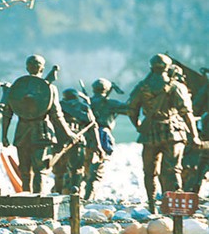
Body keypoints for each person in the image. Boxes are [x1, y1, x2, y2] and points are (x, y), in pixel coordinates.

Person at [127, 53, 199, 212]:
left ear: (151, 67)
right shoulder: (176, 86)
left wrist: (138, 126)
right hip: (173, 131)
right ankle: (173, 209)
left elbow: (131, 110)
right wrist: (194, 136)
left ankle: (152, 206)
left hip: (149, 132)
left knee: (149, 172)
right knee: (173, 170)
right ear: (168, 67)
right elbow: (186, 113)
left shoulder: (142, 87)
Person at [2, 54, 77, 194]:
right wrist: (69, 133)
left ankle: (26, 199)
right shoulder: (49, 88)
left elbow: (7, 113)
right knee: (40, 169)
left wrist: (4, 135)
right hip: (41, 133)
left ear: (27, 68)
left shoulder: (17, 87)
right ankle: (38, 199)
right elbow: (56, 115)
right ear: (42, 68)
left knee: (25, 170)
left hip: (22, 132)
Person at [86, 78, 130, 199]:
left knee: (84, 168)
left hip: (86, 137)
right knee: (97, 170)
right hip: (102, 136)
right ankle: (88, 198)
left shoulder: (87, 102)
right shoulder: (110, 103)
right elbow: (128, 109)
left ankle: (80, 196)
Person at [53, 88, 100, 195]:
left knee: (59, 171)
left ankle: (58, 193)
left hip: (59, 140)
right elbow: (93, 127)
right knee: (76, 170)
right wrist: (97, 145)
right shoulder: (83, 107)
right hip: (76, 141)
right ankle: (75, 193)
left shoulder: (58, 105)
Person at [183, 112, 208, 193]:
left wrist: (202, 144)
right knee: (196, 177)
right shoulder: (205, 117)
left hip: (204, 152)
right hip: (204, 155)